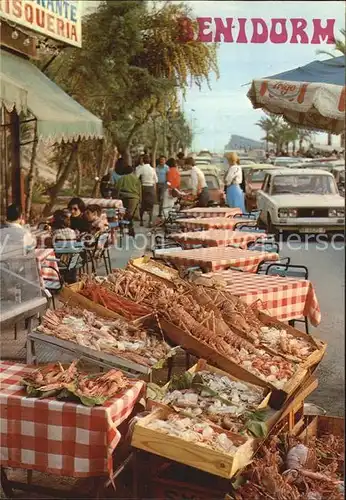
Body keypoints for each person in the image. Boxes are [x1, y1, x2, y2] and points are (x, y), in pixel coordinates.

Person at [114, 166, 141, 237]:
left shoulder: (121, 178)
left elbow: (117, 188)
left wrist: (116, 198)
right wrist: (140, 199)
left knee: (122, 212)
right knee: (130, 214)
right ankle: (130, 228)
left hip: (123, 197)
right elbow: (139, 190)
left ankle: (122, 227)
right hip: (134, 198)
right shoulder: (136, 179)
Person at [136, 154, 158, 227]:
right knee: (151, 205)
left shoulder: (141, 168)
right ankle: (150, 221)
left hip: (143, 187)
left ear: (143, 161)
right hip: (151, 187)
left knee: (142, 204)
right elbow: (156, 180)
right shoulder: (152, 169)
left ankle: (141, 221)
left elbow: (136, 177)